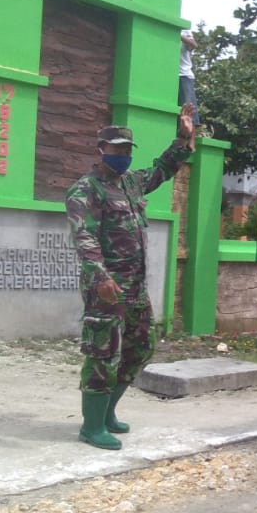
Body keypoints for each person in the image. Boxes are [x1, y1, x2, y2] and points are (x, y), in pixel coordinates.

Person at [65, 104, 196, 450]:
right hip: (105, 287)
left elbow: (163, 168)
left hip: (135, 286)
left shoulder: (132, 184)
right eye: (116, 149)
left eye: (126, 149)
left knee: (141, 346)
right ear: (100, 150)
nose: (122, 154)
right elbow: (85, 238)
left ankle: (108, 412)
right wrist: (100, 277)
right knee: (102, 353)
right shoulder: (85, 190)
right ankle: (91, 427)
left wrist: (183, 138)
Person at [179, 27, 200, 125]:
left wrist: (178, 36)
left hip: (184, 75)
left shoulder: (184, 31)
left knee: (189, 112)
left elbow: (193, 45)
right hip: (170, 75)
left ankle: (191, 138)